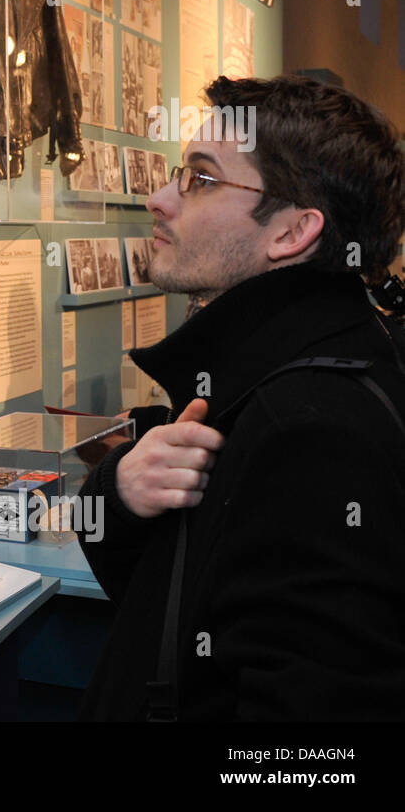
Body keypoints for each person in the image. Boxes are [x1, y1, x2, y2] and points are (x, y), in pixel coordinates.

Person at [79, 75, 405, 720]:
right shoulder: (265, 374)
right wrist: (120, 491)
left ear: (291, 233)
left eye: (201, 179)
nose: (158, 199)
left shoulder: (310, 429)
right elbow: (174, 598)